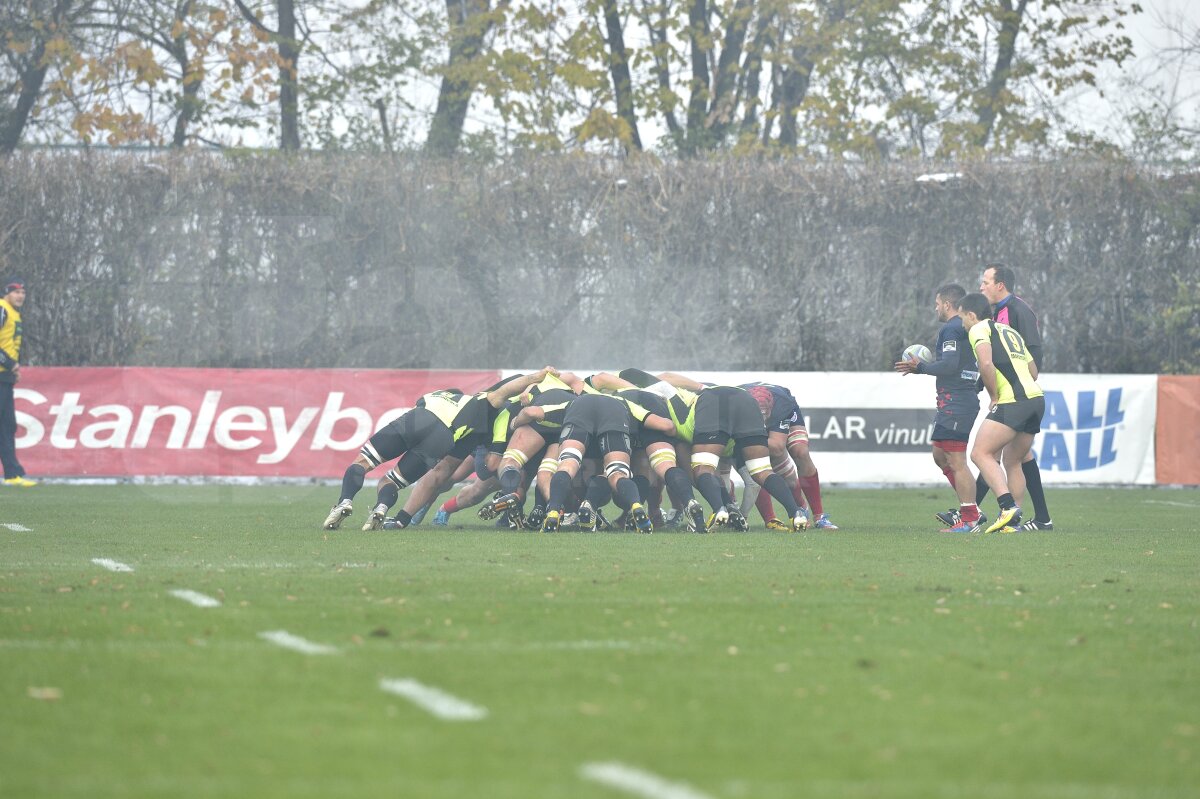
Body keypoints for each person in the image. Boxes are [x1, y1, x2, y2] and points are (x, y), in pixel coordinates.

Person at [321, 368, 555, 530]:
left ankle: (345, 501)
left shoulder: (437, 395)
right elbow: (446, 471)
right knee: (393, 480)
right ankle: (387, 511)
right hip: (446, 437)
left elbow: (419, 406)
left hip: (416, 420)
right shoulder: (478, 405)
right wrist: (537, 376)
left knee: (363, 462)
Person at [894, 284, 985, 532]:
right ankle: (972, 511)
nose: (935, 308)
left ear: (947, 304)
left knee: (956, 460)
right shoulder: (963, 328)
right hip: (953, 402)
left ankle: (970, 519)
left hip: (957, 403)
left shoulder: (952, 328)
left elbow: (949, 365)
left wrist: (920, 367)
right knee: (940, 455)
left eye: (937, 304)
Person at [958, 293, 1045, 533]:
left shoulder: (978, 329)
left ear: (972, 315)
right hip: (1036, 400)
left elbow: (985, 363)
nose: (962, 324)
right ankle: (1012, 523)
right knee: (1013, 460)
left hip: (1013, 401)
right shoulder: (1009, 331)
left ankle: (1007, 506)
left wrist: (994, 396)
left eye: (962, 318)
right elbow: (1033, 372)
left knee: (980, 453)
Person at [977, 264, 1054, 530]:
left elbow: (1032, 352)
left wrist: (1019, 384)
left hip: (1017, 395)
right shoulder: (996, 312)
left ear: (1000, 285)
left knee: (987, 453)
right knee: (1015, 457)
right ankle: (1037, 518)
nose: (981, 286)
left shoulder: (1019, 310)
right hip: (1018, 395)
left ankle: (972, 512)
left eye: (986, 281)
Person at [0, 279, 35, 487]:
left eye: (23, 292)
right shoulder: (2, 309)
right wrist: (10, 363)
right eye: (16, 292)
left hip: (4, 378)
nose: (20, 296)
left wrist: (12, 370)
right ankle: (12, 473)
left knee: (7, 426)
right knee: (5, 426)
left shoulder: (14, 313)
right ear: (7, 293)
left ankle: (12, 474)